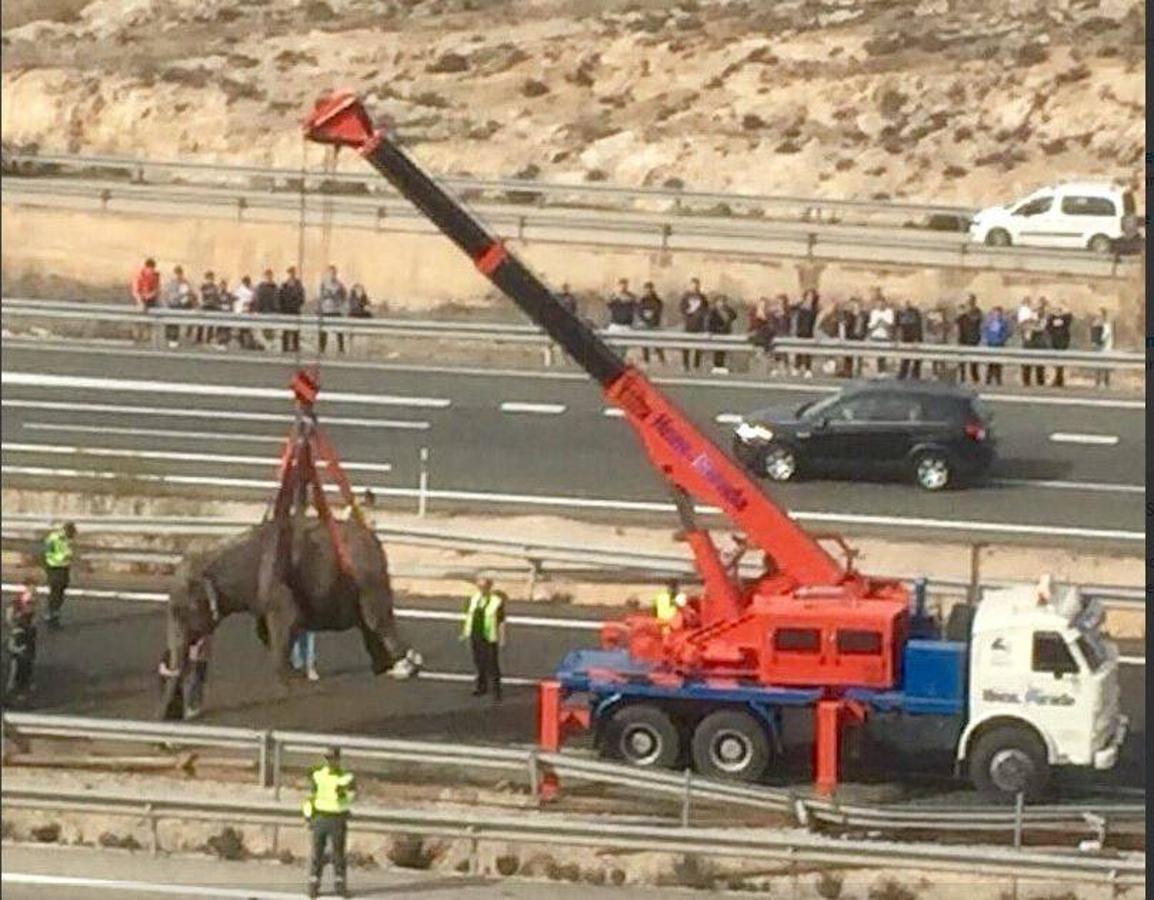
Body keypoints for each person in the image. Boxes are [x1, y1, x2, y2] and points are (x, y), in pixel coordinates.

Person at [303, 746, 355, 899]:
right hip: (320, 818)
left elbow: (351, 797)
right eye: (327, 758)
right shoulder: (318, 775)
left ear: (338, 759)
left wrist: (343, 796)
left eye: (332, 758)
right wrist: (308, 815)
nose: (329, 761)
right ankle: (314, 885)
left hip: (337, 818)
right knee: (317, 853)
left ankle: (340, 885)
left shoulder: (346, 777)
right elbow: (311, 796)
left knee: (338, 854)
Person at [461, 575, 506, 701]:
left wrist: (502, 638)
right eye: (479, 586)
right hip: (476, 635)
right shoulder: (474, 599)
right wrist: (465, 633)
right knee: (479, 662)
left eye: (484, 586)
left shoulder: (496, 601)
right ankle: (481, 686)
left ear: (489, 587)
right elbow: (469, 616)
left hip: (490, 636)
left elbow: (501, 621)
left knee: (492, 664)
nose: (481, 589)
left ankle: (496, 690)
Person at [5, 582, 38, 706]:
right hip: (18, 642)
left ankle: (23, 697)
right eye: (32, 593)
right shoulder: (15, 606)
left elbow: (33, 624)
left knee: (26, 670)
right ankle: (10, 696)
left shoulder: (31, 606)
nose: (34, 596)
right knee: (16, 670)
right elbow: (11, 621)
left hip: (28, 641)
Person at [42, 522, 76, 630]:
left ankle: (55, 612)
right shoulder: (54, 538)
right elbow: (47, 552)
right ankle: (51, 613)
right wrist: (60, 557)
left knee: (61, 590)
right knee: (55, 590)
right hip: (54, 567)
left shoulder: (66, 539)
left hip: (64, 567)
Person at [159, 265, 194, 347]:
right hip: (170, 305)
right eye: (176, 273)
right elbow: (164, 294)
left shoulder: (184, 283)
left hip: (178, 305)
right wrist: (165, 304)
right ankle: (169, 338)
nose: (178, 275)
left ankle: (174, 339)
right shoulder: (170, 282)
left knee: (175, 323)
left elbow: (186, 295)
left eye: (179, 273)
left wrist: (185, 301)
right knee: (170, 323)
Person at [678, 277, 708, 370]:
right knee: (686, 345)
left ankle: (696, 365)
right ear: (690, 286)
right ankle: (685, 364)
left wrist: (700, 315)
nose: (695, 287)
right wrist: (688, 312)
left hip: (699, 325)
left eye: (697, 285)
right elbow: (682, 308)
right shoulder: (686, 296)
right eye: (693, 285)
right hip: (689, 324)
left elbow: (706, 309)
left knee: (698, 346)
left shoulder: (702, 297)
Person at [318, 265, 349, 354]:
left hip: (336, 310)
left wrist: (338, 300)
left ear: (336, 274)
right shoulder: (324, 284)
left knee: (339, 331)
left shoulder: (339, 285)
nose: (332, 275)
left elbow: (344, 296)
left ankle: (341, 348)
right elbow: (320, 297)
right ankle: (321, 348)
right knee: (323, 331)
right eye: (330, 273)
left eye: (333, 273)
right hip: (326, 310)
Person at [1017, 296, 1047, 387]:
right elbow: (1023, 326)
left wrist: (1033, 327)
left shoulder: (1042, 315)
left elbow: (1041, 327)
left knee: (1039, 363)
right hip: (1029, 341)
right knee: (1027, 362)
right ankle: (1026, 381)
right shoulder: (1027, 313)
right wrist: (1031, 326)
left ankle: (1040, 382)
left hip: (1038, 341)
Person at [955, 293, 983, 383]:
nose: (969, 302)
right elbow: (956, 321)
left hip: (973, 339)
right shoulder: (962, 312)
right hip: (963, 338)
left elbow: (977, 319)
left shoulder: (977, 311)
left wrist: (967, 312)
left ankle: (975, 377)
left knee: (973, 361)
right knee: (962, 360)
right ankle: (962, 377)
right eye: (968, 301)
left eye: (971, 300)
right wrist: (960, 313)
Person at [131, 258, 161, 343]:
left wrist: (151, 295)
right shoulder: (139, 275)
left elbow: (157, 289)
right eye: (150, 270)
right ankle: (136, 338)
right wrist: (141, 301)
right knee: (138, 320)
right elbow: (135, 290)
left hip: (151, 299)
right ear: (146, 268)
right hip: (140, 299)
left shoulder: (155, 276)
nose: (151, 272)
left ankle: (148, 339)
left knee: (150, 321)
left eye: (152, 270)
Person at [182, 634, 211, 719]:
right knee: (194, 677)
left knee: (198, 677)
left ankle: (193, 706)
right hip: (196, 648)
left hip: (200, 650)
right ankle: (190, 706)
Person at [866, 289, 894, 374]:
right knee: (876, 355)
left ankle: (882, 371)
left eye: (882, 303)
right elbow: (871, 326)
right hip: (875, 335)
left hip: (884, 336)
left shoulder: (889, 312)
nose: (880, 304)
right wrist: (878, 324)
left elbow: (890, 324)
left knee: (883, 355)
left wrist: (882, 323)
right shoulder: (874, 312)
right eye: (878, 303)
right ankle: (877, 371)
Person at [636, 281, 665, 364]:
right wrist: (645, 318)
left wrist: (651, 315)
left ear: (652, 289)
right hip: (645, 325)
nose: (648, 291)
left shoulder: (657, 300)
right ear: (644, 290)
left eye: (650, 289)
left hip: (655, 325)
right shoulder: (642, 300)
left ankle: (662, 361)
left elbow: (658, 311)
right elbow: (639, 312)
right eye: (646, 290)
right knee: (644, 345)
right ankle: (646, 361)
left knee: (658, 344)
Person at [706, 293, 737, 372]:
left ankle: (721, 366)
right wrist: (712, 331)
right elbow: (710, 323)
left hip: (725, 333)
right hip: (717, 334)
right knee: (718, 351)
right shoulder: (713, 311)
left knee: (723, 351)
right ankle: (717, 366)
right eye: (719, 301)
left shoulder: (727, 311)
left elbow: (734, 316)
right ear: (716, 302)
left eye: (723, 301)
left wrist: (727, 308)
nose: (721, 303)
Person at [1045, 302, 1073, 387]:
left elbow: (1069, 316)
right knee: (1056, 363)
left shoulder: (1065, 319)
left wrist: (1065, 307)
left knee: (1060, 363)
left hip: (1062, 343)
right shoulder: (1052, 319)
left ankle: (1059, 380)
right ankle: (1057, 379)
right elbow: (1048, 327)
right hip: (1055, 343)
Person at [981, 306, 1011, 385]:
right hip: (991, 344)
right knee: (990, 363)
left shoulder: (1003, 322)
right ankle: (988, 380)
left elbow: (1008, 332)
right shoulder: (989, 322)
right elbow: (984, 330)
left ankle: (998, 380)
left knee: (998, 363)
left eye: (998, 313)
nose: (996, 315)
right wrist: (986, 339)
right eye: (995, 313)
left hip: (999, 344)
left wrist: (1003, 339)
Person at [792, 288, 819, 377]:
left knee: (808, 352)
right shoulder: (800, 306)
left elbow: (815, 321)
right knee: (798, 351)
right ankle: (797, 367)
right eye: (808, 296)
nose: (809, 298)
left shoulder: (814, 309)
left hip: (809, 332)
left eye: (811, 296)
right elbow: (791, 309)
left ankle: (808, 368)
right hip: (800, 331)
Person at [279, 266, 305, 354]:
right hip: (286, 310)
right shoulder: (284, 285)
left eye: (292, 272)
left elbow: (302, 297)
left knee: (296, 329)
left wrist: (297, 304)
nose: (291, 274)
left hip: (295, 309)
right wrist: (282, 308)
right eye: (290, 273)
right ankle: (285, 347)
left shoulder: (298, 284)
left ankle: (295, 347)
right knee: (285, 329)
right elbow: (280, 297)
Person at [895, 299, 923, 379]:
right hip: (905, 337)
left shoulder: (915, 312)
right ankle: (903, 374)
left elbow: (918, 327)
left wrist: (917, 339)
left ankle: (915, 374)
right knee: (905, 357)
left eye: (905, 305)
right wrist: (896, 339)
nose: (903, 307)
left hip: (915, 337)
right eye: (902, 306)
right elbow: (897, 327)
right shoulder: (899, 313)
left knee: (917, 357)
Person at [158, 648, 186, 721]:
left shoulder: (181, 655)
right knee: (169, 697)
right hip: (168, 682)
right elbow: (162, 669)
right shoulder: (168, 654)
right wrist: (173, 674)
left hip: (176, 683)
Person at [923, 302, 949, 380]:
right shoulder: (931, 317)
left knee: (942, 357)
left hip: (942, 340)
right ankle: (935, 373)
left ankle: (942, 372)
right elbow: (928, 327)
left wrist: (942, 324)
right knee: (935, 357)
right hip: (935, 339)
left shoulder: (944, 318)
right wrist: (934, 327)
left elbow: (947, 328)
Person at [1089, 307, 1114, 388]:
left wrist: (1100, 343)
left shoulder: (1106, 324)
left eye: (1099, 315)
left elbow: (1105, 336)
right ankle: (1098, 382)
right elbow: (1093, 335)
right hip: (1098, 346)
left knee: (1105, 365)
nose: (1098, 317)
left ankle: (1106, 382)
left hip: (1104, 347)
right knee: (1097, 365)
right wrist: (1093, 342)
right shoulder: (1095, 323)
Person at [233, 275, 258, 350]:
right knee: (241, 330)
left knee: (248, 330)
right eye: (245, 283)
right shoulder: (239, 290)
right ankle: (242, 345)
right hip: (241, 313)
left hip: (248, 313)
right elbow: (235, 300)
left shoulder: (251, 291)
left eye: (247, 282)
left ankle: (248, 345)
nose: (246, 284)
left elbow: (254, 301)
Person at [197, 270, 221, 346]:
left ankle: (208, 339)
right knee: (200, 323)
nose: (210, 279)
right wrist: (201, 303)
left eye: (212, 278)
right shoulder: (203, 286)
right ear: (206, 278)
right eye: (209, 278)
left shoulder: (215, 287)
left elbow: (217, 297)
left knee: (210, 324)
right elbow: (200, 295)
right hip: (204, 306)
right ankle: (199, 339)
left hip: (212, 306)